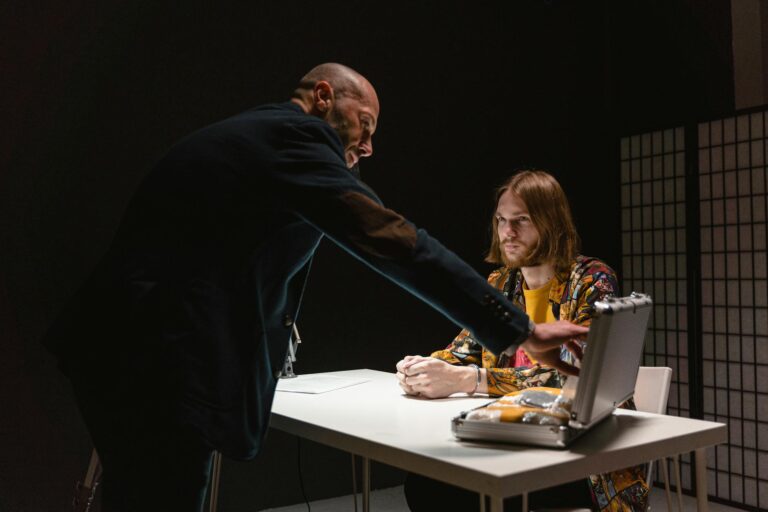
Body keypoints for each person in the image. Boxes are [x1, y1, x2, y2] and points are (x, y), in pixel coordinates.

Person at [42, 65, 588, 511]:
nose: (370, 146)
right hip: (151, 359)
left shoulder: (257, 139)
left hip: (134, 350)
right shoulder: (292, 138)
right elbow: (394, 240)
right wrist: (518, 329)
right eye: (365, 123)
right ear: (324, 96)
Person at [397, 170, 649, 511]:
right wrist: (425, 367)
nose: (507, 232)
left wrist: (471, 380)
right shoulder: (501, 282)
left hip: (583, 454)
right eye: (501, 220)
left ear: (551, 222)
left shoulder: (591, 280)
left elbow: (576, 377)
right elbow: (464, 347)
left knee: (455, 492)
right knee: (425, 483)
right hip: (517, 438)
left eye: (521, 220)